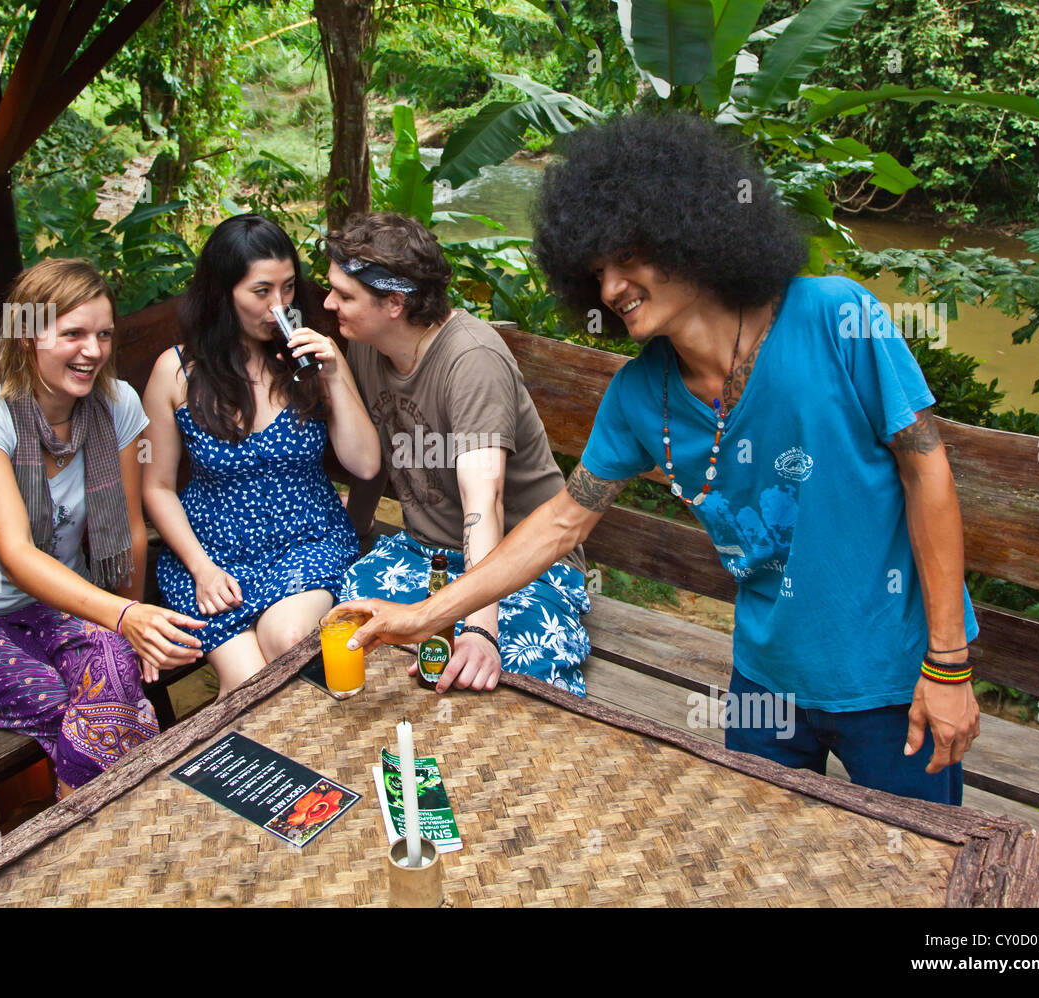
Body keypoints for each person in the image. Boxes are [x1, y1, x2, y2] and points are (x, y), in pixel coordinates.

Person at [342, 114, 980, 806]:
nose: (612, 288)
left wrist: (948, 664)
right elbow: (560, 524)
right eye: (597, 273)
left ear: (690, 229)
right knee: (763, 864)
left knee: (918, 874)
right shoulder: (639, 395)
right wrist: (426, 616)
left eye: (627, 258)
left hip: (891, 678)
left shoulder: (834, 316)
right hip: (766, 682)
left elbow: (927, 471)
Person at [0, 258, 205, 798]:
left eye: (103, 334)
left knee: (117, 677)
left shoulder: (115, 405)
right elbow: (15, 554)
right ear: (26, 337)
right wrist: (125, 615)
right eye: (72, 333)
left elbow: (131, 532)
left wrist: (127, 630)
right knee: (98, 719)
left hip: (58, 609)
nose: (92, 350)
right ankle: (96, 848)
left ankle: (100, 843)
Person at [326, 212, 591, 695]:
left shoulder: (471, 360)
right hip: (425, 555)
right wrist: (357, 528)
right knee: (351, 627)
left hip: (522, 563)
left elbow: (483, 501)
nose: (328, 304)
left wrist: (480, 630)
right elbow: (380, 452)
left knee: (505, 667)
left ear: (394, 302)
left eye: (345, 296)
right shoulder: (367, 345)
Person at [142, 214, 380, 695]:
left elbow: (366, 464)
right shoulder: (177, 372)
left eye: (289, 288)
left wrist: (333, 374)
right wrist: (201, 568)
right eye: (261, 291)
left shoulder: (311, 357)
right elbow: (157, 486)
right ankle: (265, 767)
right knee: (248, 683)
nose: (280, 306)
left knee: (289, 639)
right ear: (222, 292)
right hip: (214, 558)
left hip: (307, 542)